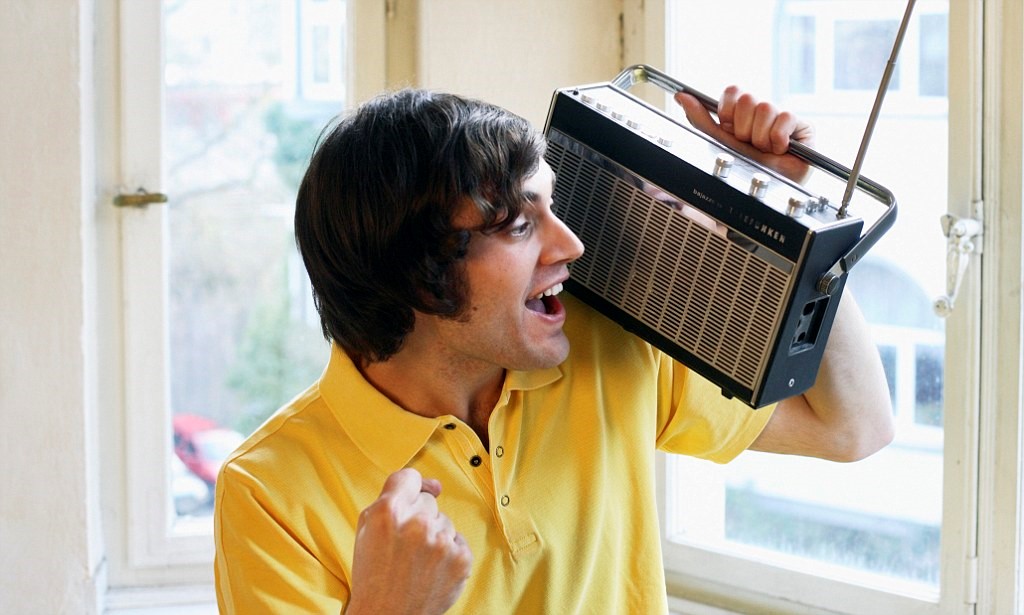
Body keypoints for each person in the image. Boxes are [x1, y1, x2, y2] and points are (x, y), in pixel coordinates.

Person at [214, 84, 894, 614]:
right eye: (518, 225)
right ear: (415, 274)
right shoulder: (269, 493)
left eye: (552, 205)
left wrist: (787, 212)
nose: (570, 244)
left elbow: (851, 427)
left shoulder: (606, 348)